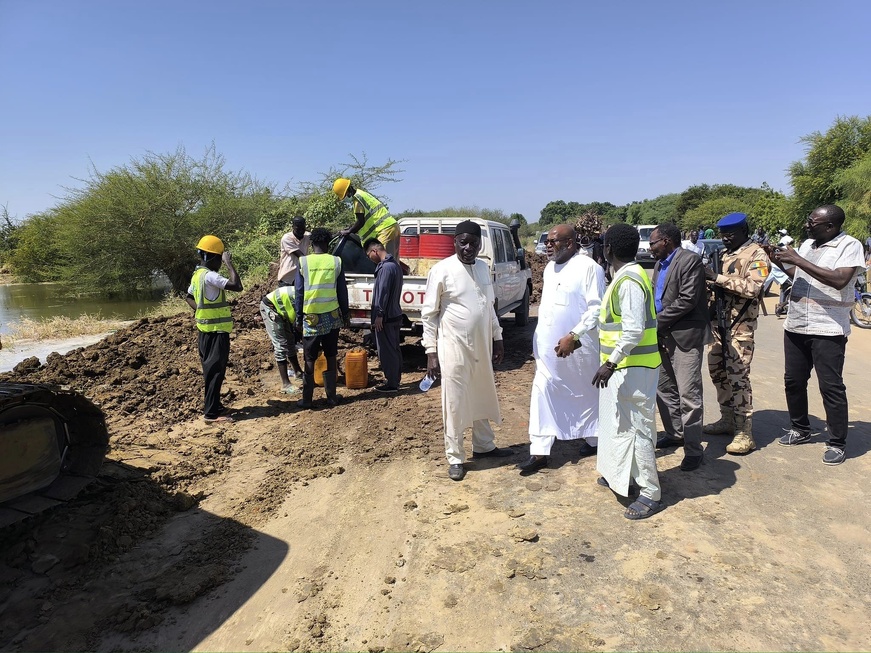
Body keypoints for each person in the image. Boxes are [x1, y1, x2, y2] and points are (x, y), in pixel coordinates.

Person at [770, 205, 865, 465]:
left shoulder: (849, 245)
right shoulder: (808, 245)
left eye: (813, 222)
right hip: (797, 325)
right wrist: (781, 263)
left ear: (830, 226)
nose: (807, 225)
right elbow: (800, 277)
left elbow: (838, 280)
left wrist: (798, 259)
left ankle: (837, 442)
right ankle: (800, 428)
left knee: (831, 387)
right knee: (794, 381)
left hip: (828, 329)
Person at [420, 219, 514, 481]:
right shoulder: (442, 270)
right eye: (463, 243)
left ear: (480, 243)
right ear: (455, 242)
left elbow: (489, 306)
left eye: (473, 243)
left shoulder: (483, 268)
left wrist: (498, 338)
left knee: (482, 392)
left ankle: (484, 446)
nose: (468, 248)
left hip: (481, 346)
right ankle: (455, 456)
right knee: (455, 401)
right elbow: (429, 315)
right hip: (453, 347)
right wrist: (431, 352)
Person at [583, 223, 663, 520]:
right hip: (628, 368)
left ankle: (650, 492)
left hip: (634, 368)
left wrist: (609, 363)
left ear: (608, 250)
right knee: (621, 425)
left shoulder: (628, 281)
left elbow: (633, 330)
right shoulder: (624, 276)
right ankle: (622, 476)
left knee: (640, 430)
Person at [517, 224, 604, 475]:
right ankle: (540, 451)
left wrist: (573, 335)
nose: (548, 245)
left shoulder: (590, 268)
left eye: (554, 242)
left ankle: (593, 439)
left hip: (579, 351)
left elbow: (596, 309)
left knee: (587, 395)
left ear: (570, 244)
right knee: (543, 390)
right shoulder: (549, 268)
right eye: (548, 241)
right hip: (547, 352)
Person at [702, 213, 770, 454]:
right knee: (718, 372)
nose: (725, 238)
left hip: (740, 328)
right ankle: (727, 418)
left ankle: (744, 432)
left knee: (738, 377)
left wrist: (717, 278)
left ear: (744, 231)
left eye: (730, 234)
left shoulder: (757, 255)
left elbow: (753, 288)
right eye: (723, 234)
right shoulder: (723, 255)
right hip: (718, 326)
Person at [649, 223, 709, 471]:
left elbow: (687, 299)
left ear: (665, 241)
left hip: (685, 338)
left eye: (653, 243)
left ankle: (694, 449)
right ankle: (675, 433)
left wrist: (655, 323)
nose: (650, 248)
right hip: (662, 337)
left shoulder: (690, 260)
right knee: (664, 390)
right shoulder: (659, 263)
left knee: (688, 395)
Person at [185, 235, 243, 424]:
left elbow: (189, 297)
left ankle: (215, 406)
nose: (220, 262)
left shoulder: (197, 275)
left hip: (205, 332)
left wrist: (200, 311)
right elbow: (237, 286)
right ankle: (211, 414)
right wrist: (229, 264)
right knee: (215, 372)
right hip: (216, 332)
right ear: (212, 258)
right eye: (219, 259)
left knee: (213, 371)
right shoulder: (210, 275)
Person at [294, 227, 350, 409]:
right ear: (327, 243)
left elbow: (299, 292)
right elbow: (342, 290)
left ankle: (307, 399)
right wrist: (346, 313)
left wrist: (298, 315)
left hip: (311, 317)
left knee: (309, 358)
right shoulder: (336, 261)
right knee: (331, 354)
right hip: (332, 316)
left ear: (312, 244)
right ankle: (332, 397)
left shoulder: (303, 262)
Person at [365, 238, 404, 393]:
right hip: (394, 314)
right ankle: (395, 379)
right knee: (394, 349)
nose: (370, 259)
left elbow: (383, 293)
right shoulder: (395, 265)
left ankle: (392, 383)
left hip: (386, 317)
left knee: (386, 350)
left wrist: (379, 315)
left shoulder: (385, 268)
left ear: (375, 251)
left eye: (369, 255)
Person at [332, 179, 400, 258]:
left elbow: (361, 222)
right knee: (393, 262)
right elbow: (361, 220)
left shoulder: (357, 200)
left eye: (344, 196)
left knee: (384, 260)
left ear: (347, 192)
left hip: (384, 230)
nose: (345, 199)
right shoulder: (361, 194)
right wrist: (349, 228)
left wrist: (348, 231)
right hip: (392, 227)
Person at [260, 285, 303, 394]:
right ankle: (285, 384)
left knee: (290, 340)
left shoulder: (308, 298)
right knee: (280, 344)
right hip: (271, 307)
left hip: (281, 309)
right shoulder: (303, 300)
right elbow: (299, 325)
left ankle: (298, 372)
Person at [277, 216, 311, 288]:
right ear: (293, 227)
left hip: (301, 276)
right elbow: (301, 257)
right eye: (298, 228)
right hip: (287, 279)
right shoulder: (287, 238)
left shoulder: (307, 236)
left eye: (303, 228)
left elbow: (322, 239)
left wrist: (339, 234)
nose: (301, 231)